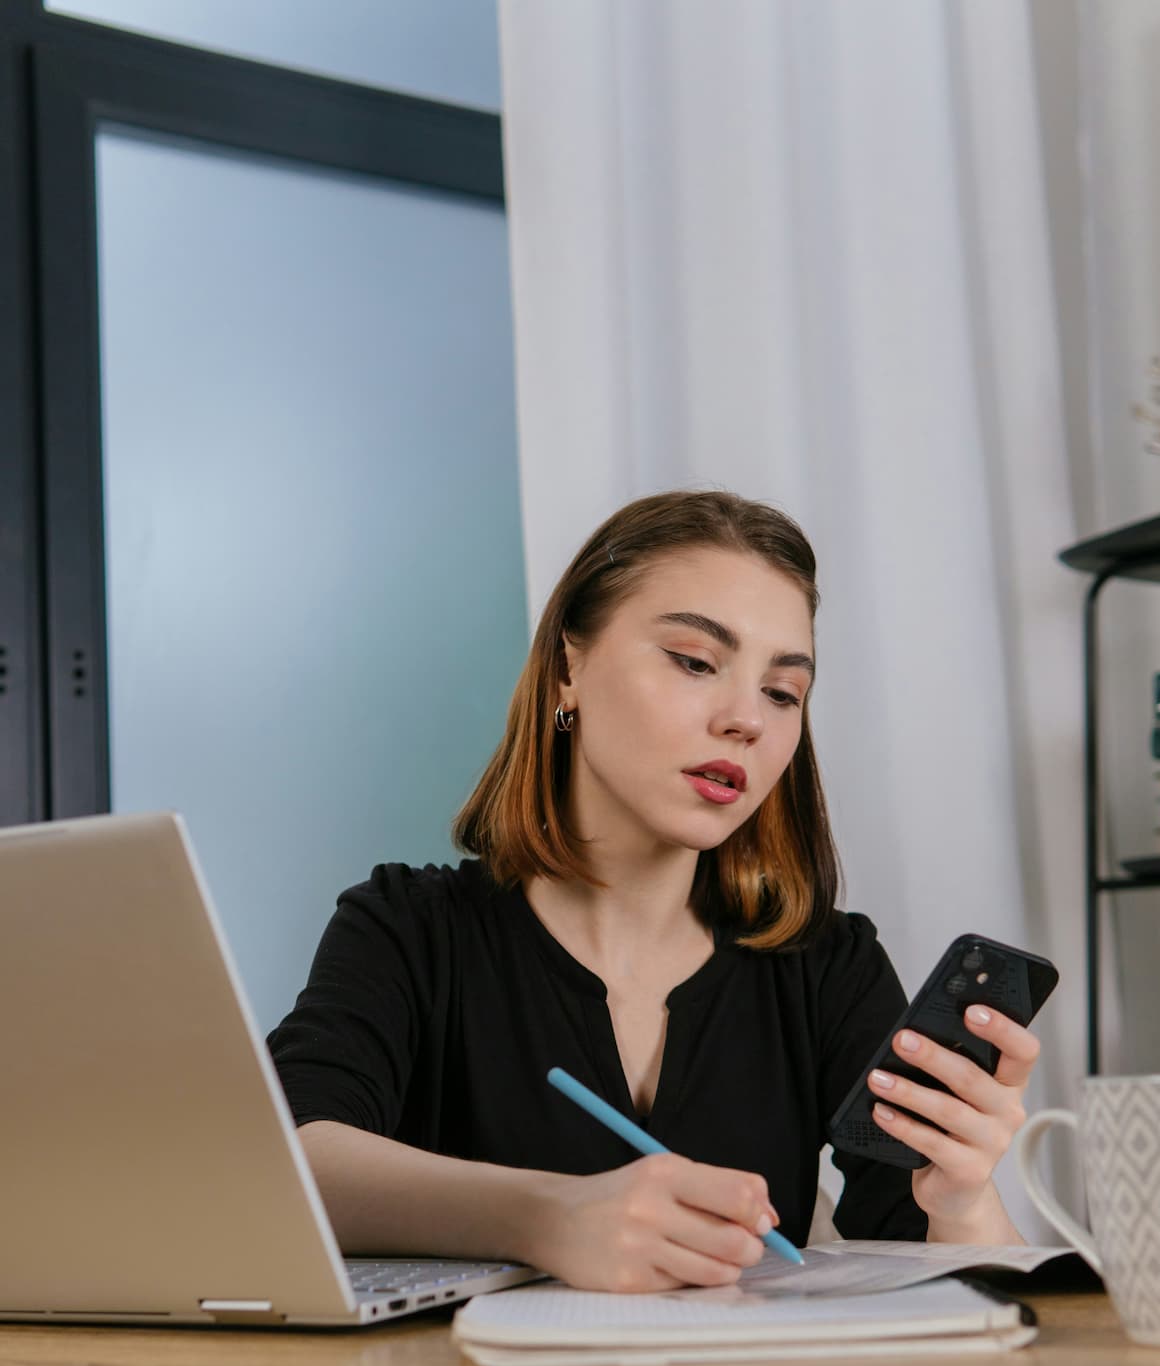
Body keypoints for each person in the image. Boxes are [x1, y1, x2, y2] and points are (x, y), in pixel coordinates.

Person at [268, 489, 1036, 1292]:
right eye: (696, 662)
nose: (747, 719)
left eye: (783, 693)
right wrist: (548, 1216)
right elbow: (291, 1158)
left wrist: (961, 1196)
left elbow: (958, 1284)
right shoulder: (408, 929)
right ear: (570, 667)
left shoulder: (827, 967)